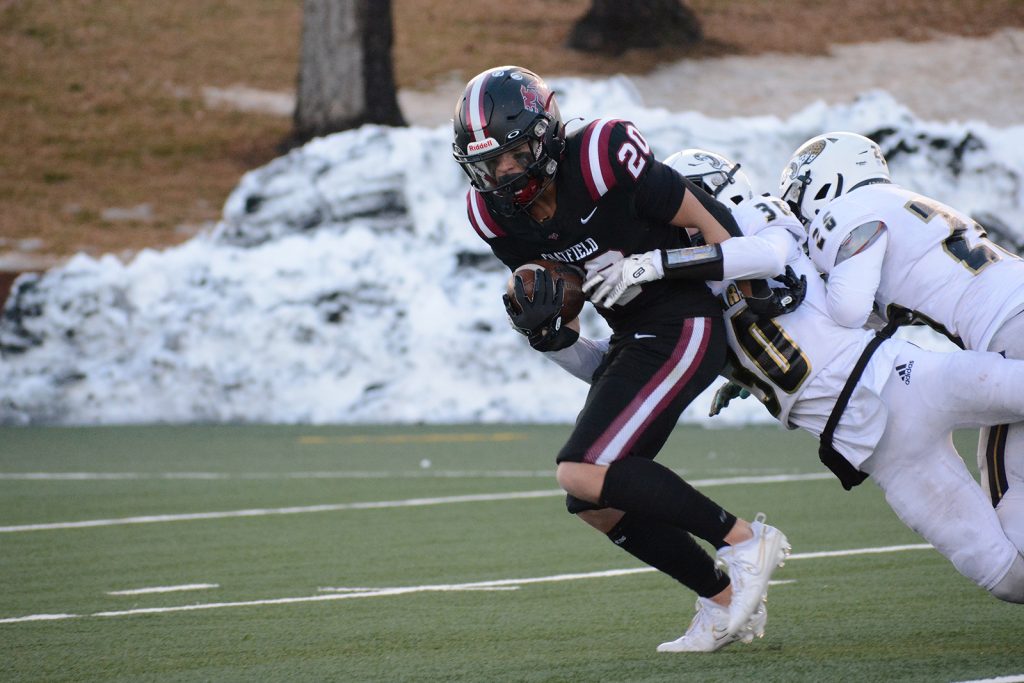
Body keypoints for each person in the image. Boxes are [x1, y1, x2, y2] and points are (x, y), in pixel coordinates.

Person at [452, 66, 800, 653]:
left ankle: (745, 540)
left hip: (685, 320)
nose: (503, 173)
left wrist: (655, 266)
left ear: (544, 136)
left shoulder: (602, 156)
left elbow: (728, 240)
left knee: (579, 466)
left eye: (513, 155)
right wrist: (553, 336)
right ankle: (719, 602)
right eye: (489, 163)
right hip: (634, 336)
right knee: (591, 499)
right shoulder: (492, 215)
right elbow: (584, 336)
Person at [622, 148, 1024, 604]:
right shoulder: (691, 298)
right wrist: (559, 340)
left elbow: (777, 263)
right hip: (876, 449)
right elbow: (630, 367)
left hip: (905, 378)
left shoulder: (759, 216)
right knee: (1007, 576)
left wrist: (659, 264)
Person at [779, 132, 1024, 554]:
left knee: (1015, 531)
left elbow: (850, 309)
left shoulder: (843, 212)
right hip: (1012, 307)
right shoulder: (899, 202)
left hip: (1007, 328)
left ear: (828, 179)